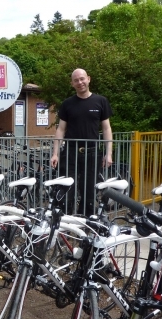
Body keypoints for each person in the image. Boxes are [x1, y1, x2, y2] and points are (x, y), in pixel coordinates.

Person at [50, 68, 113, 216]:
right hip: (70, 152)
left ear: (88, 79)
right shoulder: (67, 104)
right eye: (76, 80)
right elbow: (60, 129)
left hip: (92, 153)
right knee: (66, 188)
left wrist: (108, 153)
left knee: (89, 190)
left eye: (82, 79)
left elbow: (106, 128)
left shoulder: (101, 101)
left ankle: (86, 226)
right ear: (72, 83)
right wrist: (55, 154)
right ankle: (65, 224)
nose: (80, 82)